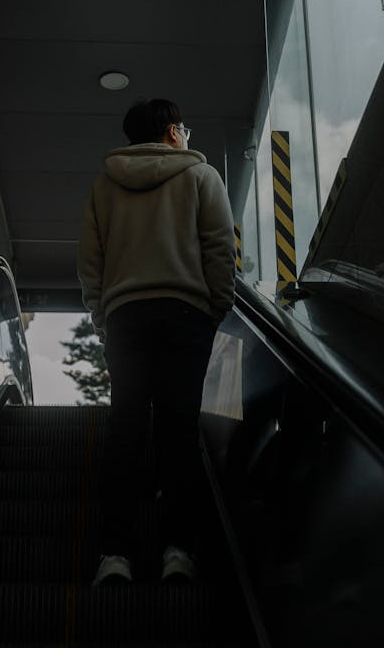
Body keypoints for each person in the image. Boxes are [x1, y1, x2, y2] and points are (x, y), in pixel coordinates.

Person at [77, 98, 236, 585]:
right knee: (178, 431)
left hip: (127, 316)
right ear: (171, 132)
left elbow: (91, 258)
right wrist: (218, 304)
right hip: (186, 313)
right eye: (183, 128)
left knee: (125, 427)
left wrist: (102, 312)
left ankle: (115, 556)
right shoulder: (201, 177)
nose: (186, 136)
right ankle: (177, 553)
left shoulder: (104, 188)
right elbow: (219, 245)